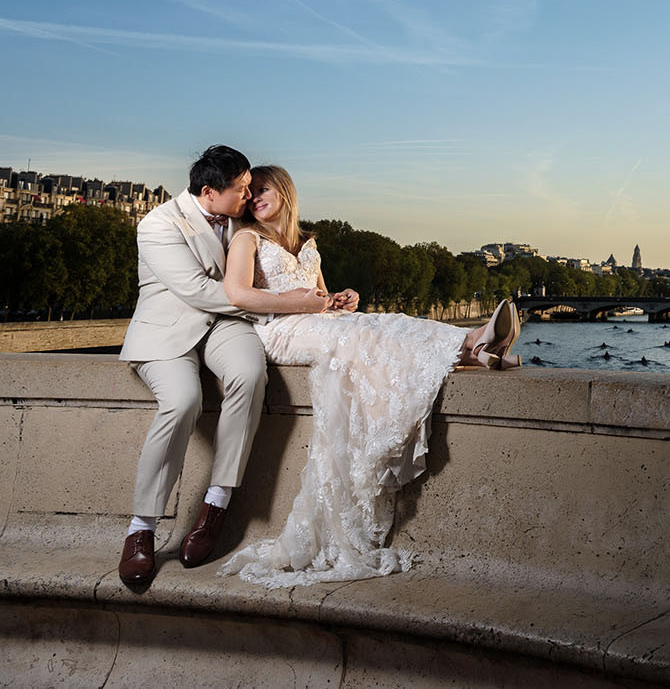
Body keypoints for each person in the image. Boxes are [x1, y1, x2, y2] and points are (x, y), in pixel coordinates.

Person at [216, 164, 521, 587]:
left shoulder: (306, 242)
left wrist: (341, 298)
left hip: (315, 324)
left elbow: (321, 298)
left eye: (261, 190)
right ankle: (473, 345)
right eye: (250, 196)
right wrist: (297, 302)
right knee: (369, 335)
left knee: (380, 323)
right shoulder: (246, 238)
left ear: (284, 191)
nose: (253, 200)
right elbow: (238, 294)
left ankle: (474, 348)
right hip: (279, 330)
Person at [118, 145, 329, 588]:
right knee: (182, 400)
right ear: (210, 191)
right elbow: (198, 290)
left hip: (227, 325)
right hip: (169, 331)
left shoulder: (240, 220)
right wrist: (283, 304)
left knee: (251, 376)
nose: (249, 195)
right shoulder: (157, 224)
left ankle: (217, 501)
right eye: (242, 189)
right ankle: (141, 529)